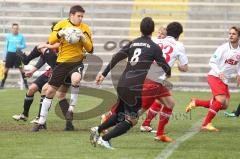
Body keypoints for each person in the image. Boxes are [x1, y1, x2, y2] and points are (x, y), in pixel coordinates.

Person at [90, 17, 171, 149]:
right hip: (134, 86)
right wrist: (168, 73)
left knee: (120, 114)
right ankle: (105, 139)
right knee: (132, 120)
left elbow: (116, 57)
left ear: (140, 29)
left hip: (122, 83)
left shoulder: (133, 43)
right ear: (152, 31)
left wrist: (104, 73)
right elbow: (165, 66)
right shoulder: (154, 47)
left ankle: (98, 130)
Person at [32, 5, 93, 132]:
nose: (80, 19)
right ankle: (41, 120)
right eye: (78, 16)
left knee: (76, 79)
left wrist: (83, 38)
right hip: (61, 63)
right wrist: (60, 33)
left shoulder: (85, 28)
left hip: (76, 62)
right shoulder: (61, 24)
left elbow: (91, 49)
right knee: (49, 92)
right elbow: (51, 40)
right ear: (71, 15)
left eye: (82, 16)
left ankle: (71, 109)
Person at [140, 22, 188, 142]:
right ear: (179, 35)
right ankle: (108, 120)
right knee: (138, 111)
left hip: (149, 76)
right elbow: (184, 68)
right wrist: (176, 62)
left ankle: (159, 133)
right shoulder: (179, 45)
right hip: (153, 79)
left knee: (169, 103)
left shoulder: (157, 41)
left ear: (167, 32)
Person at [185, 26, 240, 131]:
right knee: (220, 99)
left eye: (234, 34)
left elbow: (238, 64)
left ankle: (196, 102)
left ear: (239, 36)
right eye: (230, 33)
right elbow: (212, 61)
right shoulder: (223, 48)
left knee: (224, 105)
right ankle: (206, 124)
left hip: (224, 80)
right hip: (214, 76)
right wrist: (219, 72)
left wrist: (239, 74)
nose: (231, 35)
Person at [12, 43, 58, 123]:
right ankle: (24, 115)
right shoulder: (49, 43)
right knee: (31, 89)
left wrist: (47, 47)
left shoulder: (61, 43)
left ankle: (40, 118)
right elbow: (42, 60)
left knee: (45, 91)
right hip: (49, 72)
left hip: (58, 73)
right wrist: (31, 72)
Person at [0, 23, 27, 89]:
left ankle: (26, 85)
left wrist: (20, 46)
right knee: (6, 70)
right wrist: (4, 56)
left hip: (18, 54)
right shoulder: (9, 36)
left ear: (18, 29)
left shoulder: (21, 36)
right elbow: (6, 47)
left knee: (22, 70)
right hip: (10, 54)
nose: (15, 30)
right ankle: (2, 84)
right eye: (14, 28)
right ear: (12, 29)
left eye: (16, 28)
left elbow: (24, 45)